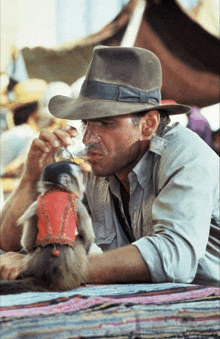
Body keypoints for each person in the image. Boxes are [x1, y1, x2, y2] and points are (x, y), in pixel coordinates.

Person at [0, 46, 219, 287]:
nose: (88, 139)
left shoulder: (185, 155)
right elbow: (12, 244)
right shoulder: (101, 168)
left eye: (106, 123)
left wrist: (53, 268)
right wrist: (32, 178)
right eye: (87, 123)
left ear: (148, 124)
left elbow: (172, 257)